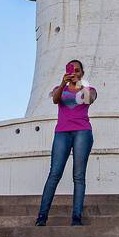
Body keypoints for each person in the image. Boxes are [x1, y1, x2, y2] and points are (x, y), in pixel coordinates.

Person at [35, 59, 97, 226]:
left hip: (82, 131)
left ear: (82, 73)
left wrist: (81, 83)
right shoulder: (59, 89)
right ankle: (42, 217)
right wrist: (63, 84)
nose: (74, 73)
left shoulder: (89, 89)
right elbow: (55, 100)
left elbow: (89, 99)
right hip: (62, 132)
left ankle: (76, 218)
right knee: (54, 173)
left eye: (78, 70)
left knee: (78, 175)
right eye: (72, 70)